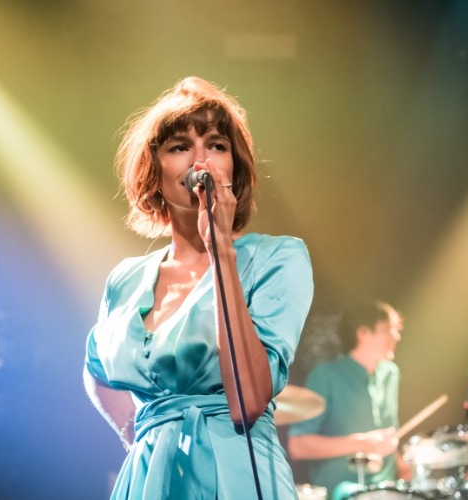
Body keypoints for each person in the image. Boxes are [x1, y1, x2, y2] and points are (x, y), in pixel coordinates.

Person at [83, 76, 314, 499]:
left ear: (234, 169)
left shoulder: (277, 258)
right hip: (149, 478)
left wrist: (221, 248)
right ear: (154, 172)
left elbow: (248, 401)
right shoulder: (125, 279)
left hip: (237, 475)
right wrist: (139, 430)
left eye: (216, 145)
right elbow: (96, 369)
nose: (201, 160)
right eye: (179, 147)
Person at [287, 300, 406, 500]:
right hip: (341, 490)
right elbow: (298, 445)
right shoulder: (325, 376)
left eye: (396, 330)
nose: (396, 336)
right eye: (387, 329)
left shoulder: (391, 373)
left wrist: (403, 466)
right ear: (363, 333)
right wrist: (362, 443)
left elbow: (387, 435)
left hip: (385, 487)